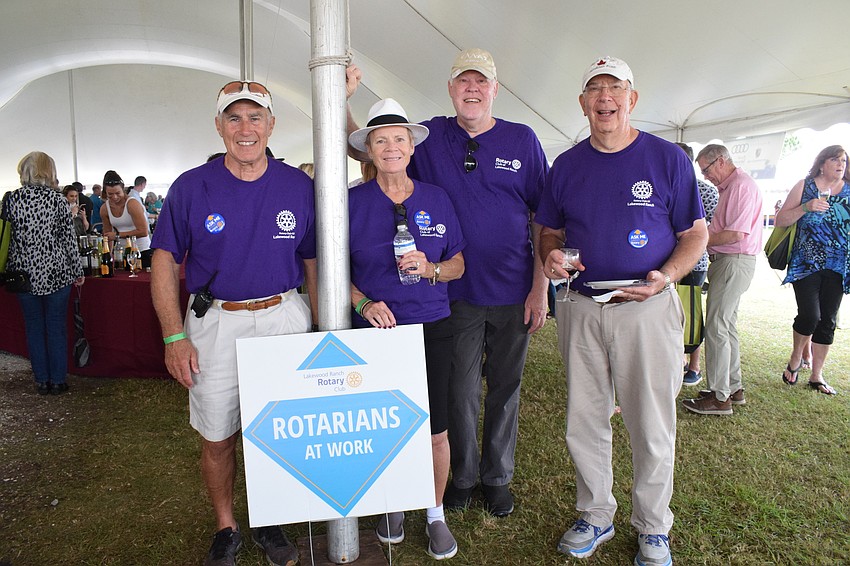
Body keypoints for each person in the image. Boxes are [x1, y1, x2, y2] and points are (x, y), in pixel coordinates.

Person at [346, 48, 549, 517]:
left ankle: (497, 477)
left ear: (495, 90)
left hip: (514, 289)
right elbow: (373, 144)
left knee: (504, 387)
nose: (472, 90)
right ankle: (460, 476)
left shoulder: (523, 139)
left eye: (482, 83)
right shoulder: (430, 135)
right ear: (451, 89)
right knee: (457, 391)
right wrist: (345, 101)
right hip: (453, 295)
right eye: (464, 82)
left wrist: (540, 288)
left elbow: (545, 219)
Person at [535, 56, 707, 565]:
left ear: (632, 99)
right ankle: (596, 514)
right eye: (595, 89)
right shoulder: (566, 165)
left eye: (615, 88)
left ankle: (653, 526)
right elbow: (549, 229)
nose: (605, 98)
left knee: (651, 420)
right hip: (581, 306)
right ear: (583, 104)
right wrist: (549, 253)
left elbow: (695, 233)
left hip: (647, 307)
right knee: (585, 417)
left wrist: (666, 278)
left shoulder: (667, 159)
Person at [151, 79, 318, 566]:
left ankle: (271, 521)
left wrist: (324, 326)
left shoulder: (297, 185)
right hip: (216, 322)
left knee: (280, 427)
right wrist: (173, 336)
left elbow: (311, 262)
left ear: (271, 125)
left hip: (282, 315)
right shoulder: (190, 186)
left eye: (255, 117)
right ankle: (226, 527)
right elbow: (163, 261)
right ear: (219, 126)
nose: (246, 129)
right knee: (218, 432)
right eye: (234, 118)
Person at [348, 98, 466, 560]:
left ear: (412, 146)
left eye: (399, 138)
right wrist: (362, 302)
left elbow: (458, 264)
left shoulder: (436, 197)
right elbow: (331, 270)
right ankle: (391, 503)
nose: (391, 147)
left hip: (432, 324)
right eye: (382, 140)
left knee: (436, 428)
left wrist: (433, 269)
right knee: (383, 424)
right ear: (371, 151)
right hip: (376, 329)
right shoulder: (351, 203)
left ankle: (434, 513)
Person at [683, 144, 763, 415]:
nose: (706, 176)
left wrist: (697, 242)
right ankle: (732, 387)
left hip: (733, 260)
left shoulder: (740, 185)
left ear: (720, 161)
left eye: (706, 170)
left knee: (717, 326)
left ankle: (720, 397)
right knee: (726, 326)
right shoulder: (732, 186)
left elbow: (735, 234)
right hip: (730, 262)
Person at [4, 151, 84, 395]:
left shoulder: (11, 200)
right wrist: (77, 270)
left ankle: (41, 380)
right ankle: (58, 380)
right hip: (56, 272)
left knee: (34, 327)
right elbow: (68, 239)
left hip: (23, 273)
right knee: (56, 327)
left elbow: (7, 238)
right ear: (50, 172)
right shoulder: (58, 200)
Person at [775, 145, 850, 395]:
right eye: (835, 160)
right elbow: (781, 220)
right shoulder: (805, 186)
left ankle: (817, 376)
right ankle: (797, 355)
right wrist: (806, 207)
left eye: (844, 160)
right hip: (807, 263)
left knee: (827, 319)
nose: (841, 164)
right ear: (821, 164)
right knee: (810, 315)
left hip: (839, 265)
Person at [674, 142, 719, 386]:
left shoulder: (706, 191)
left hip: (694, 261)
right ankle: (674, 361)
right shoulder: (663, 186)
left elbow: (710, 228)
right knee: (669, 314)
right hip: (664, 262)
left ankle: (694, 365)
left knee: (691, 313)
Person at [99, 170, 153, 268]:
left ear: (123, 190)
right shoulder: (104, 209)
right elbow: (108, 236)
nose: (114, 197)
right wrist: (108, 255)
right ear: (105, 192)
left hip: (141, 250)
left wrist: (117, 235)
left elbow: (143, 232)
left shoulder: (132, 204)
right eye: (110, 194)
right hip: (121, 253)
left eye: (118, 193)